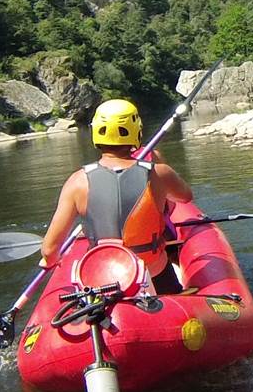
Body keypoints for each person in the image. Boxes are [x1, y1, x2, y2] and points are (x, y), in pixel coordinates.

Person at [38, 98, 193, 293]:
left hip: (103, 278)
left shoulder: (77, 182)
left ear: (97, 132)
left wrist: (51, 259)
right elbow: (185, 197)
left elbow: (50, 250)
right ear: (136, 130)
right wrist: (160, 169)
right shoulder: (159, 173)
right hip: (153, 273)